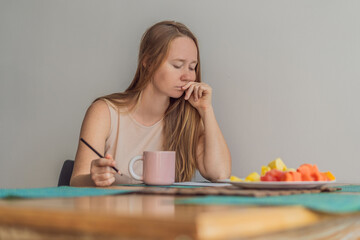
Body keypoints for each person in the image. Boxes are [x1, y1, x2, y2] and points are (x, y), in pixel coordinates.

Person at [70, 20, 231, 187]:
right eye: (177, 65)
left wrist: (206, 109)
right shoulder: (104, 112)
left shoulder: (188, 118)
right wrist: (94, 178)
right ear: (148, 62)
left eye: (192, 67)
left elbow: (219, 174)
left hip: (165, 212)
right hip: (113, 212)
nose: (188, 77)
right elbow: (76, 181)